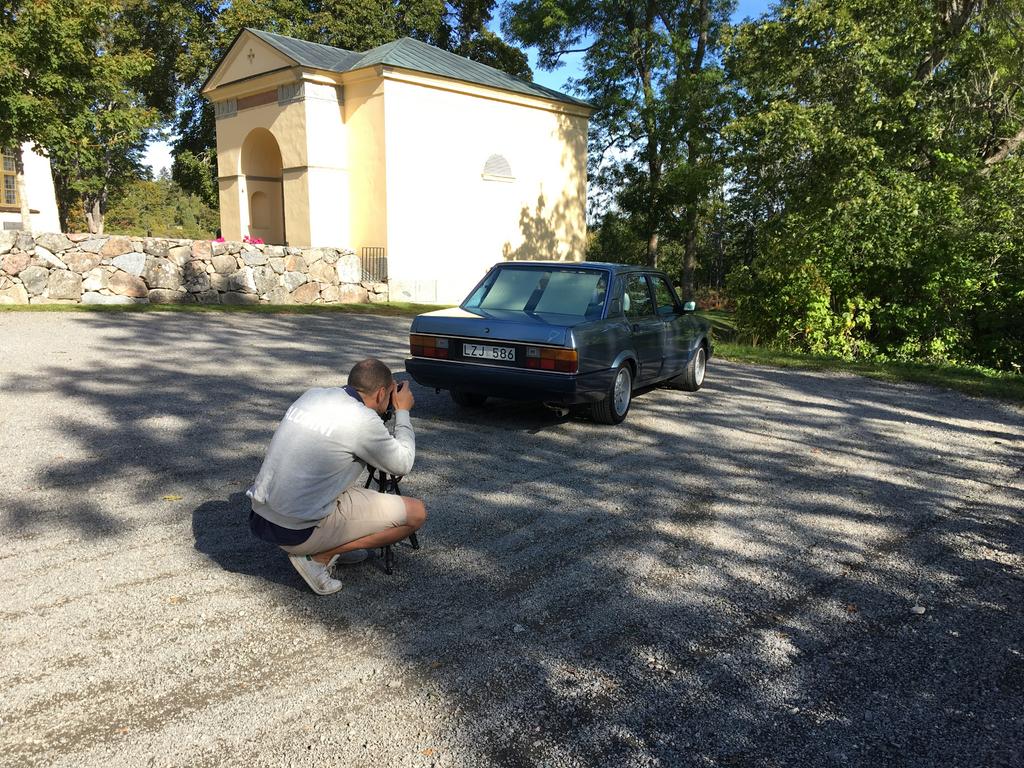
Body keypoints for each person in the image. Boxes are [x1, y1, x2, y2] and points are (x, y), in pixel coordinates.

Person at [247, 358, 427, 594]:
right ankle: (318, 557)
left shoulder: (313, 395)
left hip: (261, 516)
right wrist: (402, 412)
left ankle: (332, 543)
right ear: (382, 393)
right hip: (296, 532)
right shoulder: (362, 420)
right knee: (416, 514)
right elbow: (402, 463)